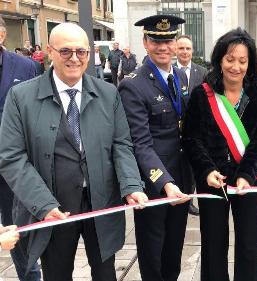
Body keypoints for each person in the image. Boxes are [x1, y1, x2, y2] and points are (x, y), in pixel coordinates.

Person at [0, 22, 148, 281]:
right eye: (66, 51)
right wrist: (44, 204)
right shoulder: (20, 97)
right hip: (53, 206)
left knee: (105, 274)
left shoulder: (107, 93)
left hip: (101, 202)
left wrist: (132, 185)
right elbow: (12, 158)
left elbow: (121, 144)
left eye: (81, 52)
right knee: (57, 274)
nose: (74, 58)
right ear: (50, 51)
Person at [182, 27, 257, 281]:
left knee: (249, 245)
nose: (236, 67)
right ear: (219, 60)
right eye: (230, 59)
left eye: (242, 61)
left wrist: (246, 173)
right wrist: (207, 170)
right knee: (213, 244)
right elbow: (191, 138)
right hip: (213, 180)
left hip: (248, 180)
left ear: (250, 63)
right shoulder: (203, 94)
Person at [118, 15, 192, 281]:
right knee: (153, 254)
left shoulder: (182, 77)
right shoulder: (133, 84)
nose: (164, 47)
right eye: (156, 40)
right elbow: (140, 142)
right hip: (154, 185)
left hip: (182, 180)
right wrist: (165, 182)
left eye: (169, 40)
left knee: (174, 250)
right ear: (145, 43)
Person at [0, 15, 41, 281]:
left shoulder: (26, 68)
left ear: (1, 34)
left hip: (13, 166)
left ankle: (30, 276)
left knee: (17, 228)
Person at [175, 34, 208, 215]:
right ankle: (182, 197)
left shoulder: (202, 72)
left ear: (192, 50)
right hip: (175, 129)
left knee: (194, 164)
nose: (185, 52)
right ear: (175, 50)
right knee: (180, 166)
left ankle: (191, 198)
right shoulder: (169, 71)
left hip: (197, 128)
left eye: (188, 48)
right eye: (181, 48)